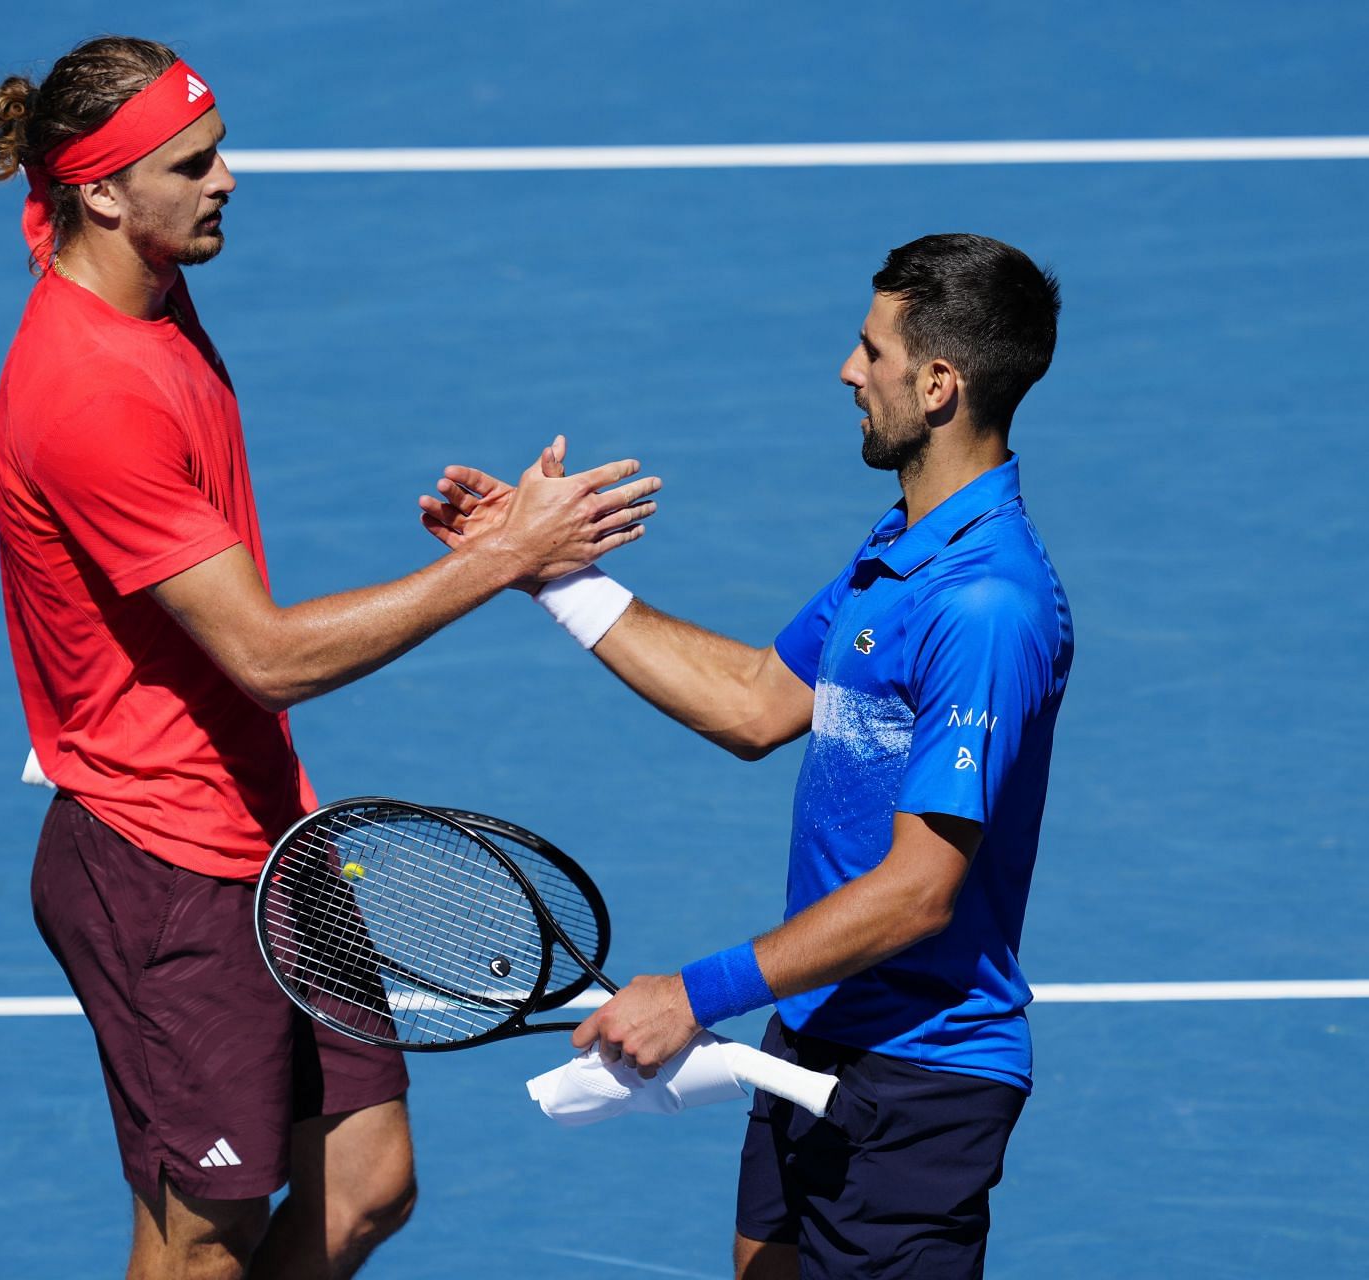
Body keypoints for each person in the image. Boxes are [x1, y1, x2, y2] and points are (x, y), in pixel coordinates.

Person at [0, 36, 659, 1280]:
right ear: (100, 192)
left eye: (220, 145)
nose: (228, 177)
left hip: (266, 826)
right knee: (202, 1241)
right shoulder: (91, 394)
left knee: (363, 1185)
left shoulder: (133, 267)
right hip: (163, 866)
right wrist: (510, 556)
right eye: (193, 163)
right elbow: (270, 656)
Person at [422, 233, 1070, 1279]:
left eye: (874, 350)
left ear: (940, 383)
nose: (848, 371)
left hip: (919, 1084)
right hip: (817, 1030)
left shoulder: (986, 605)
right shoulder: (901, 547)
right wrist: (543, 572)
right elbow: (756, 701)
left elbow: (917, 893)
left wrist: (695, 991)